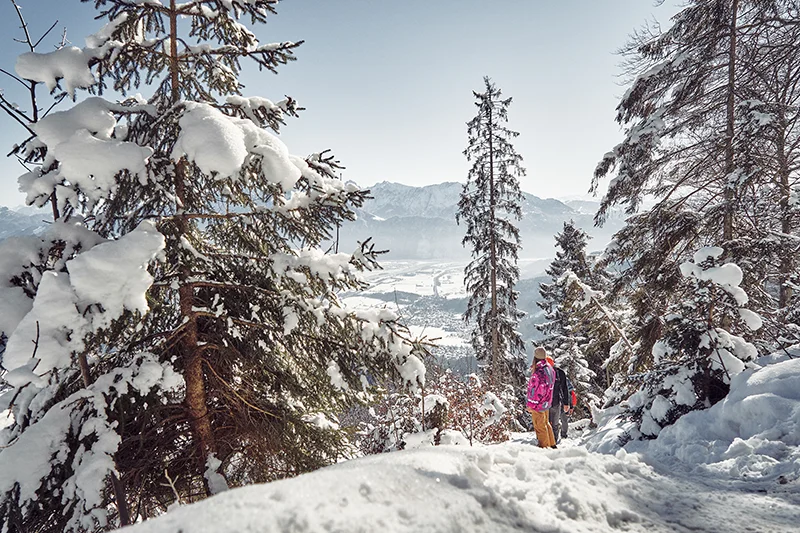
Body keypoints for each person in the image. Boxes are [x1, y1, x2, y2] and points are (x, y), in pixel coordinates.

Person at [526, 347, 556, 448]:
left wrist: (531, 405)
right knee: (546, 424)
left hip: (538, 404)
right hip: (547, 402)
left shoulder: (538, 373)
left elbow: (536, 391)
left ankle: (545, 448)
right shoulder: (549, 368)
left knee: (540, 427)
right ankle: (552, 445)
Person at [546, 356, 571, 444]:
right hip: (552, 402)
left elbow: (564, 388)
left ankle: (552, 442)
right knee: (552, 424)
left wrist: (566, 403)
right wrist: (566, 403)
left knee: (552, 424)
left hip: (551, 403)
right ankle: (551, 442)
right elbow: (565, 389)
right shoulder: (558, 372)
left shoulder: (559, 373)